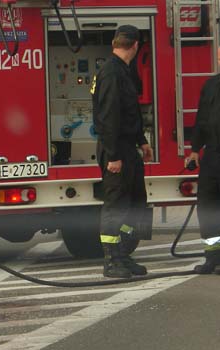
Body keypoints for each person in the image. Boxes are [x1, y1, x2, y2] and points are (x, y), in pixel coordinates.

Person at [91, 25, 153, 279]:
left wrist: (142, 141)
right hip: (116, 151)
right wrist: (114, 155)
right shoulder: (111, 73)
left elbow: (129, 112)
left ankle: (124, 255)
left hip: (128, 148)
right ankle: (111, 260)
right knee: (115, 206)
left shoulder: (123, 71)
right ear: (136, 46)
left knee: (135, 204)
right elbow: (107, 119)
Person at [187, 46, 220, 274]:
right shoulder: (211, 85)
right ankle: (212, 257)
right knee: (207, 206)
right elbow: (201, 118)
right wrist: (195, 149)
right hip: (213, 156)